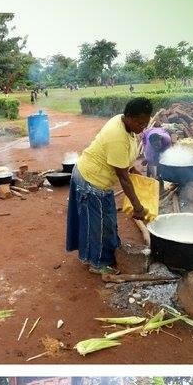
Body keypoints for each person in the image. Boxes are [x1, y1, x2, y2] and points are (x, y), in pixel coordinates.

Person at [66, 97, 153, 273]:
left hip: (98, 179)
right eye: (139, 122)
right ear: (129, 117)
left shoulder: (124, 122)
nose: (142, 127)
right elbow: (123, 178)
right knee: (97, 225)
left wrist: (133, 169)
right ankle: (98, 264)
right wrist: (138, 207)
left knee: (107, 219)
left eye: (145, 123)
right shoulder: (117, 137)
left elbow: (125, 162)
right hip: (91, 180)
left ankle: (111, 253)